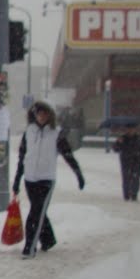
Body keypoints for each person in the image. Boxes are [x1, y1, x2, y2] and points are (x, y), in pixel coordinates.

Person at [11, 101, 85, 259]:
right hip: (30, 179)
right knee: (39, 211)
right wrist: (17, 180)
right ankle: (48, 239)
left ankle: (29, 248)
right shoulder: (29, 132)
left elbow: (68, 155)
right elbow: (22, 157)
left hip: (46, 180)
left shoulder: (56, 134)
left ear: (49, 115)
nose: (42, 117)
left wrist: (78, 174)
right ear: (34, 115)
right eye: (39, 114)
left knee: (35, 214)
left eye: (45, 114)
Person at [113, 124, 140, 200]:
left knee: (135, 179)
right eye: (128, 129)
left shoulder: (139, 139)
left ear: (135, 130)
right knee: (126, 178)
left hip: (136, 162)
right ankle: (126, 194)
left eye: (132, 129)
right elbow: (115, 149)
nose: (130, 131)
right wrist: (118, 142)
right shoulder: (122, 138)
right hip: (126, 162)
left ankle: (134, 194)